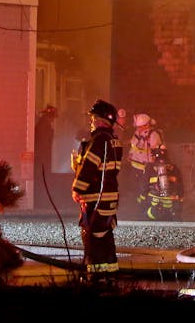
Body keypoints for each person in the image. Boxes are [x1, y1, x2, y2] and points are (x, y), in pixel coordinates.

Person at [71, 99, 123, 280]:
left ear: (101, 121)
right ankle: (110, 275)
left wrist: (77, 189)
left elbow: (90, 167)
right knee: (105, 235)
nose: (91, 122)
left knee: (92, 236)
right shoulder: (114, 141)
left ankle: (94, 278)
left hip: (96, 197)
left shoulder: (99, 141)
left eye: (93, 118)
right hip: (110, 198)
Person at [127, 113, 164, 215]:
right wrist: (130, 155)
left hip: (147, 168)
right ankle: (136, 208)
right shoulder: (137, 133)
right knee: (134, 188)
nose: (138, 129)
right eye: (137, 127)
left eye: (140, 127)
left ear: (146, 125)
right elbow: (133, 147)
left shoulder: (153, 135)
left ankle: (143, 210)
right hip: (134, 166)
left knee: (144, 189)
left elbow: (157, 152)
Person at [144, 145, 184, 221]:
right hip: (169, 205)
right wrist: (180, 198)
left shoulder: (149, 168)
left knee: (150, 219)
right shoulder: (174, 168)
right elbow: (180, 186)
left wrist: (142, 197)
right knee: (170, 221)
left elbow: (144, 185)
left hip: (154, 203)